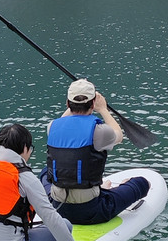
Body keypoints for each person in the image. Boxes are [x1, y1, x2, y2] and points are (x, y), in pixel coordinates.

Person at [40, 78, 150, 225]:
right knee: (142, 183)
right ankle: (112, 190)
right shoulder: (100, 132)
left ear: (67, 103)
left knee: (44, 172)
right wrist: (103, 109)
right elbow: (119, 135)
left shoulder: (52, 126)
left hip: (58, 207)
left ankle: (103, 189)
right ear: (93, 104)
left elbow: (64, 120)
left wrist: (77, 97)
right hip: (91, 211)